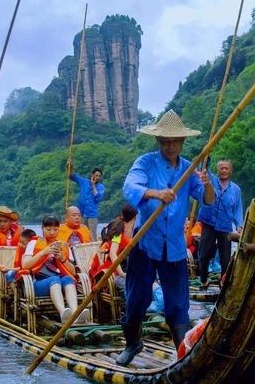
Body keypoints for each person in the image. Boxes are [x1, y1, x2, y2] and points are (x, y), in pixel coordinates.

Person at [116, 110, 214, 365]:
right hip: (146, 242)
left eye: (175, 141)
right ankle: (133, 343)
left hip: (174, 246)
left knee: (177, 302)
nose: (171, 146)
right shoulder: (145, 163)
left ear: (182, 142)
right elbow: (130, 187)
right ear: (159, 142)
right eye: (166, 141)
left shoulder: (190, 168)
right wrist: (156, 193)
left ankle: (182, 352)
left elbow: (208, 200)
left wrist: (207, 183)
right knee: (137, 297)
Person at [23, 215, 91, 325]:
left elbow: (73, 272)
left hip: (60, 281)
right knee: (55, 279)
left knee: (68, 279)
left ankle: (75, 313)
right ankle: (62, 312)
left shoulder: (63, 245)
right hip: (39, 282)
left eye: (55, 229)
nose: (51, 232)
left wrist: (62, 258)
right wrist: (43, 252)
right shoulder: (34, 243)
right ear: (42, 228)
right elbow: (25, 265)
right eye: (48, 229)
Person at [195, 159, 244, 290]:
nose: (223, 170)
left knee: (225, 258)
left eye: (226, 168)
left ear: (231, 171)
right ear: (218, 170)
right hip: (209, 223)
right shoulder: (210, 179)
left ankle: (223, 281)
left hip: (225, 226)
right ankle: (204, 280)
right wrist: (206, 157)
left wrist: (239, 225)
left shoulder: (235, 189)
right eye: (221, 168)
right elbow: (203, 168)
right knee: (204, 255)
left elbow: (238, 209)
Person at [67, 161, 106, 236]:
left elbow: (98, 198)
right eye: (96, 175)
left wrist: (93, 185)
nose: (98, 177)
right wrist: (70, 167)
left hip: (92, 214)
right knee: (81, 233)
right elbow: (72, 176)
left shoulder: (101, 187)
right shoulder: (84, 182)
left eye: (99, 176)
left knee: (92, 234)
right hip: (81, 213)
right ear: (92, 175)